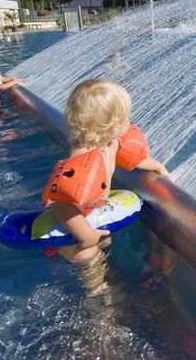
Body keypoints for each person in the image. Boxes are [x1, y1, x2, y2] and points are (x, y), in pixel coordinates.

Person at [44, 79, 171, 263]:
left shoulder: (109, 141)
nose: (129, 121)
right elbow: (60, 203)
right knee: (90, 256)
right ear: (111, 124)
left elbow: (132, 157)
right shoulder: (84, 159)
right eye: (125, 117)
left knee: (102, 244)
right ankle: (97, 290)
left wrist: (156, 166)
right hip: (68, 225)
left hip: (88, 213)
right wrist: (87, 237)